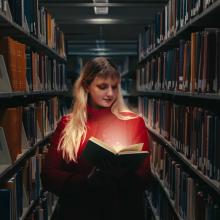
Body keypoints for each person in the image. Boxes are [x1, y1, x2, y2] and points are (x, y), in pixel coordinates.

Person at [41, 57, 151, 220]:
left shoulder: (134, 122)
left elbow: (145, 175)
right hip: (79, 211)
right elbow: (48, 175)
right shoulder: (67, 124)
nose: (110, 93)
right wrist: (86, 181)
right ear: (86, 86)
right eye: (102, 87)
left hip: (121, 210)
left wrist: (121, 175)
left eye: (114, 87)